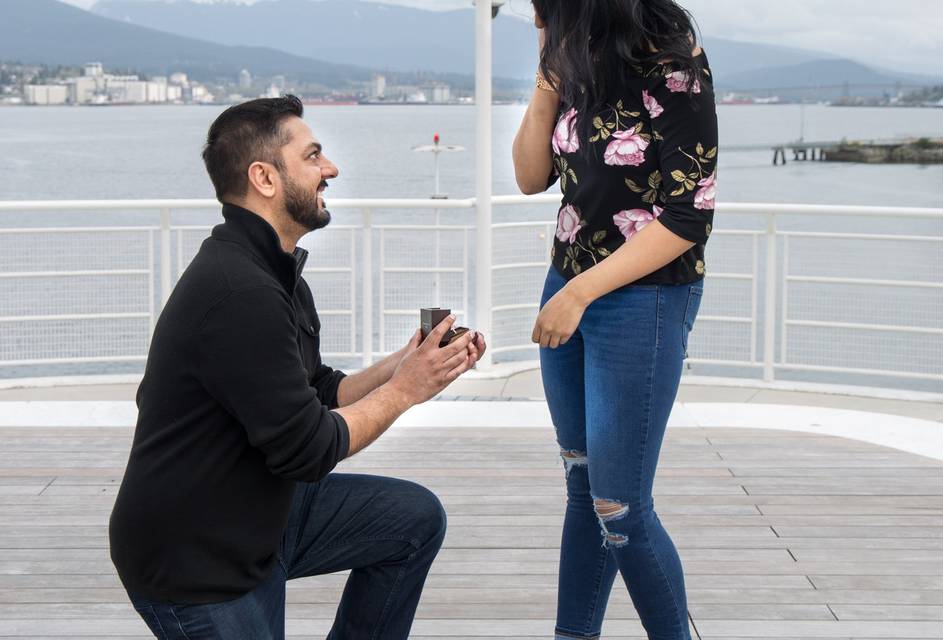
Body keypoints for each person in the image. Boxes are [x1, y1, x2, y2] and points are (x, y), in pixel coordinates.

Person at [109, 95, 486, 640]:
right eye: (313, 156)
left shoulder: (275, 271)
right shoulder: (239, 292)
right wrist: (406, 391)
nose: (330, 168)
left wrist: (404, 363)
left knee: (412, 520)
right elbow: (309, 449)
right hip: (195, 561)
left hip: (257, 519)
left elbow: (318, 391)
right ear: (264, 177)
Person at [513, 1, 718, 639]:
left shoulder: (673, 63)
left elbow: (689, 217)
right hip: (569, 284)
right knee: (583, 484)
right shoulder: (575, 61)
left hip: (644, 297)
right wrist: (548, 71)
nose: (535, 15)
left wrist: (579, 294)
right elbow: (528, 176)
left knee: (620, 504)